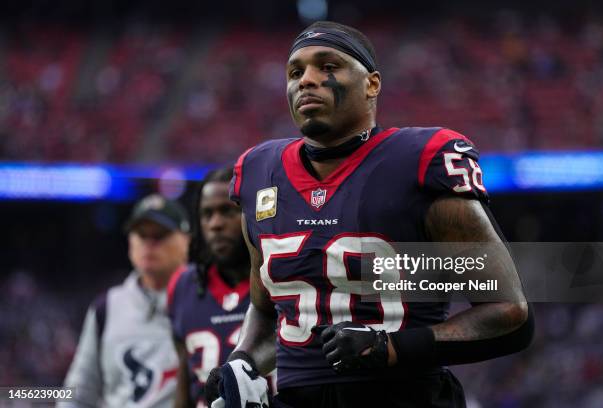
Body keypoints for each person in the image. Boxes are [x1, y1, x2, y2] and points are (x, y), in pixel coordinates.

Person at [206, 21, 534, 408]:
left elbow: (508, 312)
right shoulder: (259, 172)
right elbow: (266, 310)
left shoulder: (418, 161)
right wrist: (242, 362)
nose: (307, 81)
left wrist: (391, 347)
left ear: (372, 84)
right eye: (296, 72)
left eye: (328, 66)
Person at [60, 194, 191, 408]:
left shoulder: (208, 300)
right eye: (141, 234)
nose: (149, 243)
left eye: (160, 235)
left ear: (187, 241)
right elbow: (79, 394)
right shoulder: (106, 308)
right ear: (130, 242)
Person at [168, 168, 253, 408]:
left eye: (227, 211)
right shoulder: (183, 285)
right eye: (207, 214)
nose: (215, 224)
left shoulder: (278, 278)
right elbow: (184, 386)